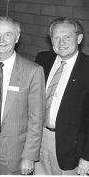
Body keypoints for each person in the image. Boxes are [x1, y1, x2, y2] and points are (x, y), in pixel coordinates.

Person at [0, 16, 45, 175]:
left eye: (8, 34)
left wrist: (30, 156)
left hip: (14, 147)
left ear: (17, 37)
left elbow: (36, 118)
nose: (2, 39)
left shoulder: (33, 71)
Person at [34, 17, 89, 175]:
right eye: (56, 37)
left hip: (72, 147)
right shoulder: (42, 59)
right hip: (39, 138)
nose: (61, 42)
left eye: (67, 37)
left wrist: (87, 157)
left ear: (79, 38)